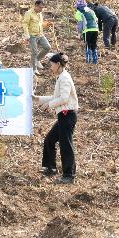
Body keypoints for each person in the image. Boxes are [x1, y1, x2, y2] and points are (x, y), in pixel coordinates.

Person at [36, 52, 78, 183]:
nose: (51, 67)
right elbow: (56, 97)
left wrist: (49, 105)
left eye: (52, 64)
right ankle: (50, 167)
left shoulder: (64, 78)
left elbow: (64, 98)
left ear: (58, 64)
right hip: (63, 115)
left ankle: (69, 175)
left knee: (66, 144)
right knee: (50, 139)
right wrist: (37, 99)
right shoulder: (61, 77)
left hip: (68, 115)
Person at [21, 0, 53, 75]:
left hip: (40, 34)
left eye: (42, 8)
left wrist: (47, 24)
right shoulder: (29, 13)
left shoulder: (40, 14)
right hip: (32, 36)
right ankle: (33, 68)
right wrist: (26, 34)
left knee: (47, 47)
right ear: (35, 5)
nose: (41, 9)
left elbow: (40, 24)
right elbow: (25, 23)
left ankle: (37, 60)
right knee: (34, 52)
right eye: (40, 7)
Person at [75, 0, 99, 64]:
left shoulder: (79, 12)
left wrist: (79, 33)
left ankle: (88, 61)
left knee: (88, 45)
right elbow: (96, 19)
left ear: (77, 7)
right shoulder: (91, 11)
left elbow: (80, 24)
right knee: (94, 44)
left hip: (87, 30)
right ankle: (95, 61)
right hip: (96, 29)